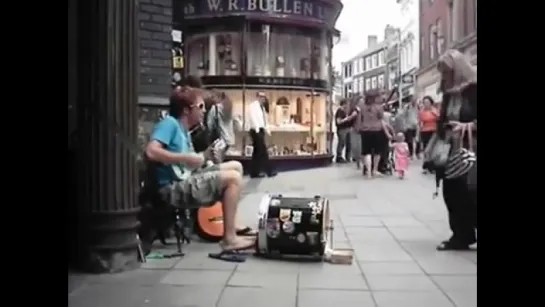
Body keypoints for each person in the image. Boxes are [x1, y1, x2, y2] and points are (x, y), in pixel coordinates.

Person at [145, 86, 255, 254]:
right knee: (232, 178)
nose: (204, 111)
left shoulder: (184, 131)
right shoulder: (169, 124)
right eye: (201, 107)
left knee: (236, 166)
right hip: (172, 188)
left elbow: (188, 165)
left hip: (184, 177)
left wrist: (206, 157)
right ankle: (229, 239)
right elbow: (151, 151)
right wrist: (187, 158)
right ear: (186, 110)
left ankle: (232, 224)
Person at [434, 49, 477, 251]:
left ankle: (465, 233)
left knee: (470, 191)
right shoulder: (449, 95)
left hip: (471, 149)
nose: (444, 76)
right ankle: (461, 234)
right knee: (451, 191)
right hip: (452, 148)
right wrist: (444, 130)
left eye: (447, 72)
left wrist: (468, 126)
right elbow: (442, 121)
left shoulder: (473, 90)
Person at [355, 89, 385, 178]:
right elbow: (381, 117)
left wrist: (358, 128)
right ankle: (374, 170)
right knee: (377, 152)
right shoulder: (379, 107)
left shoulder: (362, 107)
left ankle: (368, 171)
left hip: (365, 130)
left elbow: (360, 118)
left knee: (366, 152)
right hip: (376, 130)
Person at [206, 92, 242, 163]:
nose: (212, 99)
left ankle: (219, 172)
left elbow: (209, 124)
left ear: (219, 98)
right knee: (220, 158)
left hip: (219, 138)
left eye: (213, 97)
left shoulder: (215, 108)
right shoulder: (230, 108)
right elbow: (238, 125)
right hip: (229, 140)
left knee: (216, 160)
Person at [248, 92, 276, 178]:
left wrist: (267, 130)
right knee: (263, 151)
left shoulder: (262, 107)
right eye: (260, 96)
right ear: (257, 97)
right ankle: (269, 171)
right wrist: (257, 130)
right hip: (255, 130)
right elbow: (252, 117)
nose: (262, 98)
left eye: (264, 97)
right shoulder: (253, 106)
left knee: (257, 152)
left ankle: (254, 173)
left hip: (261, 130)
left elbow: (264, 120)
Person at [419, 96, 439, 173]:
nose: (426, 104)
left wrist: (435, 114)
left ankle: (432, 166)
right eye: (424, 103)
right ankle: (426, 165)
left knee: (433, 148)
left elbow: (439, 119)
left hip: (434, 131)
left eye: (427, 102)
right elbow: (420, 122)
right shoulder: (422, 111)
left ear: (431, 102)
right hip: (424, 131)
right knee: (426, 148)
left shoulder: (435, 111)